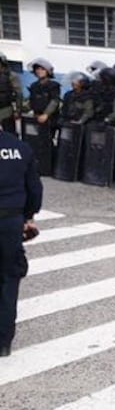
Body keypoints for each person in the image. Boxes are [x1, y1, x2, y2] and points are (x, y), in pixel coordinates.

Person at [0, 127, 43, 357]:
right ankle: (3, 341)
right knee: (9, 278)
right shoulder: (20, 147)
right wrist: (28, 216)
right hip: (10, 222)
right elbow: (34, 189)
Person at [25, 58, 61, 127]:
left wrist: (46, 114)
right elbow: (31, 100)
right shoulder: (34, 86)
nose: (39, 71)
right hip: (36, 117)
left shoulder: (54, 85)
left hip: (50, 119)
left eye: (42, 69)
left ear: (47, 71)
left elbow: (54, 101)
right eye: (37, 69)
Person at [0, 52, 22, 133]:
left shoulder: (11, 75)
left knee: (9, 133)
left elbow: (18, 93)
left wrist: (18, 110)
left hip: (6, 109)